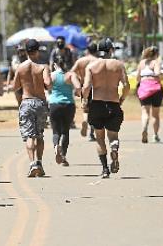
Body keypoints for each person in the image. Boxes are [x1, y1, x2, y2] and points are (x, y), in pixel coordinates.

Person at [82, 38, 130, 179]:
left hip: (97, 105)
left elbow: (86, 87)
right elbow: (126, 86)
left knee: (100, 138)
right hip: (113, 103)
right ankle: (114, 147)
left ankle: (104, 169)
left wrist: (85, 101)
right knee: (113, 136)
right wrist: (121, 98)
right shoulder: (118, 65)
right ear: (111, 50)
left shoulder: (91, 66)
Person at [12, 39, 52, 177]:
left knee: (29, 136)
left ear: (26, 51)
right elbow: (48, 84)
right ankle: (39, 162)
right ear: (37, 51)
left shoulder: (21, 67)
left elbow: (15, 87)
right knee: (39, 135)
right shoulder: (43, 67)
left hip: (26, 102)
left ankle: (31, 163)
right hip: (40, 103)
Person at [49, 55, 81, 166]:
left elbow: (47, 86)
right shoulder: (71, 75)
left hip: (54, 104)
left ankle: (55, 146)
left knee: (55, 131)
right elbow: (78, 87)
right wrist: (77, 93)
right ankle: (63, 157)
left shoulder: (52, 75)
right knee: (65, 130)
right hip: (68, 105)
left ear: (55, 65)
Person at [70, 42, 98, 141]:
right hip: (96, 87)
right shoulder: (98, 61)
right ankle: (91, 134)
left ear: (87, 50)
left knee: (86, 109)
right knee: (94, 111)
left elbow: (72, 71)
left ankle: (85, 121)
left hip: (84, 86)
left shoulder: (80, 61)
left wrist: (78, 79)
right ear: (96, 50)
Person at [136, 46, 163, 143]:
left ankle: (144, 128)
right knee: (155, 114)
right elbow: (157, 73)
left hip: (144, 88)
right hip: (155, 89)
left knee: (145, 112)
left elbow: (137, 78)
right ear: (156, 54)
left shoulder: (141, 63)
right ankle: (155, 135)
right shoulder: (155, 62)